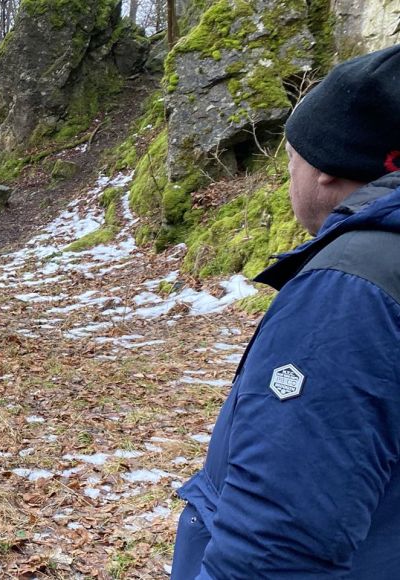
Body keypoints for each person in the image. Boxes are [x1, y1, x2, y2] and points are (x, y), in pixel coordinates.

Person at [171, 44, 400, 578]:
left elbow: (277, 546)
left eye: (291, 157)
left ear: (327, 168)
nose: (287, 173)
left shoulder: (351, 289)